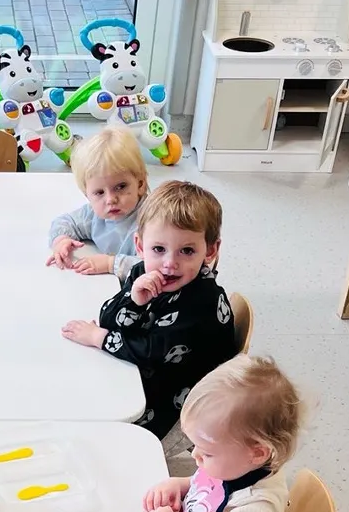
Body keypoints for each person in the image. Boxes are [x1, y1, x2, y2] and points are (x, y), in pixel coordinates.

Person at [62, 180, 236, 440]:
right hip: (144, 377)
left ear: (210, 250)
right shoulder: (143, 270)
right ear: (140, 246)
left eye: (187, 251)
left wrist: (99, 338)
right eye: (158, 249)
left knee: (101, 434)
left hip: (183, 409)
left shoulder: (203, 302)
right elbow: (108, 318)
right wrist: (134, 300)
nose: (169, 263)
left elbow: (152, 353)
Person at [144, 356, 303, 512]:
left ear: (257, 453)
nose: (195, 455)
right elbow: (209, 486)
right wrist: (180, 485)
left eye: (207, 453)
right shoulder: (236, 464)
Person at [47, 128, 150, 278]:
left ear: (140, 184)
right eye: (99, 192)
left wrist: (110, 263)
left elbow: (158, 266)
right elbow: (65, 221)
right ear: (87, 196)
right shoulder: (94, 215)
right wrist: (61, 241)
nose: (110, 199)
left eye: (121, 187)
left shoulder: (154, 220)